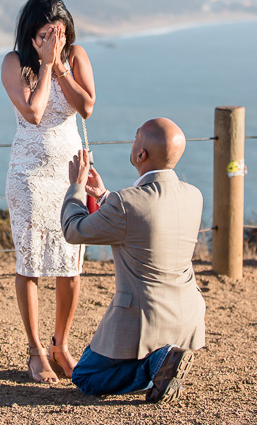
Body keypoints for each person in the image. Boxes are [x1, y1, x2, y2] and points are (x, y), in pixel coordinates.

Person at [60, 118, 205, 403]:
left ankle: (156, 365)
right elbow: (147, 222)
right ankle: (166, 360)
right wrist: (104, 197)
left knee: (85, 376)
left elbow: (73, 230)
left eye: (136, 137)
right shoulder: (194, 195)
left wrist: (75, 187)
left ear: (141, 155)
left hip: (142, 320)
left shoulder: (126, 203)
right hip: (187, 316)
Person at [1, 0, 96, 383]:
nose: (54, 41)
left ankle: (61, 344)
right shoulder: (14, 63)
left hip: (69, 174)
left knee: (70, 266)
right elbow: (34, 112)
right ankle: (35, 349)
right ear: (31, 34)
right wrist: (44, 66)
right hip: (28, 175)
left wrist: (59, 66)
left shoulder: (75, 56)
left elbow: (86, 106)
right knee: (31, 264)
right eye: (45, 35)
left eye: (59, 34)